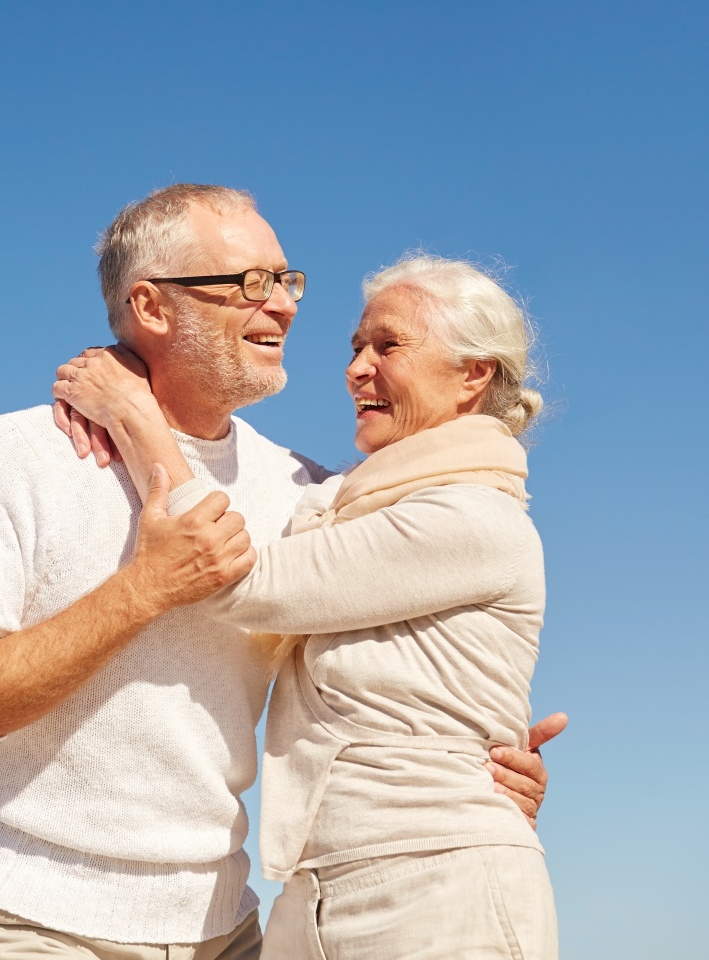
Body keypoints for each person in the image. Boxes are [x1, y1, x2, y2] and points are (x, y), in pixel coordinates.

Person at [0, 184, 561, 959]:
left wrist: (488, 768)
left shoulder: (309, 494)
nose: (284, 304)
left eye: (287, 280)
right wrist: (141, 590)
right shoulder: (22, 456)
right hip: (38, 917)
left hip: (225, 929)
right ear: (151, 305)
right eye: (250, 282)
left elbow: (427, 636)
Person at [54, 253, 559, 958]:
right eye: (356, 348)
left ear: (473, 374)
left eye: (388, 346)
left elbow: (231, 576)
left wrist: (134, 413)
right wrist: (146, 367)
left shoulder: (473, 515)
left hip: (437, 885)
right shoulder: (348, 503)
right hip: (316, 896)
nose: (355, 369)